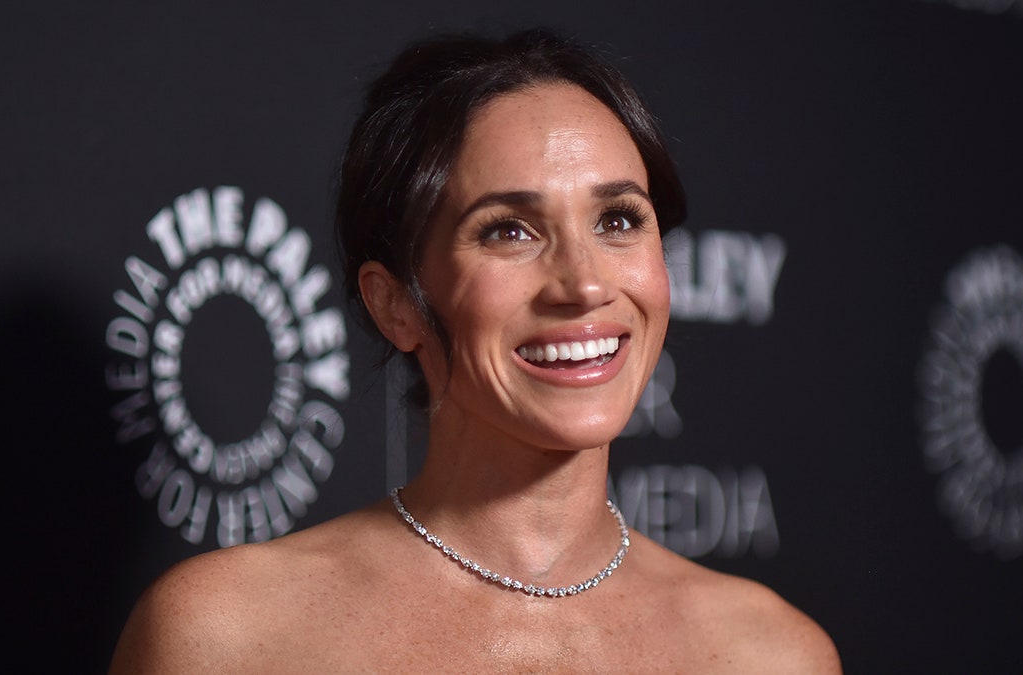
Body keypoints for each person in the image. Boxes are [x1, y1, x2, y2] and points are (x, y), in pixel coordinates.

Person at [109, 29, 841, 673]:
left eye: (619, 219)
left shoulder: (773, 654)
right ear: (394, 303)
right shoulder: (222, 637)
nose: (584, 282)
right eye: (509, 230)